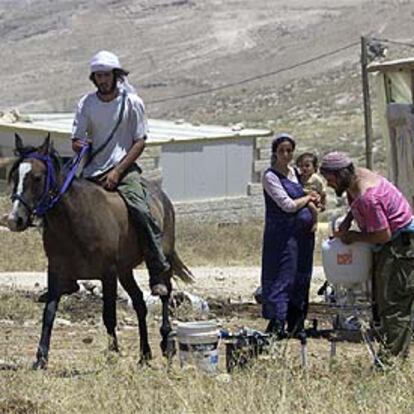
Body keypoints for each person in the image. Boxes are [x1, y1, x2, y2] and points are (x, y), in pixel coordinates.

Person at [71, 50, 170, 296]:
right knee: (63, 209)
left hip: (124, 170)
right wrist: (80, 145)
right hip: (93, 169)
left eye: (106, 75)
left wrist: (117, 171)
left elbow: (139, 141)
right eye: (98, 76)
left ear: (115, 76)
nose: (102, 80)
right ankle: (65, 273)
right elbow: (78, 137)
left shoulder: (132, 103)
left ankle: (156, 269)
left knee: (141, 209)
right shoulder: (86, 104)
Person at [319, 151, 414, 362]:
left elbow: (383, 234)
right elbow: (355, 203)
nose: (329, 184)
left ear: (342, 174)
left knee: (394, 305)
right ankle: (392, 354)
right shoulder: (357, 178)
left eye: (331, 179)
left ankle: (390, 363)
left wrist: (354, 236)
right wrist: (347, 220)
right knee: (381, 303)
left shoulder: (368, 196)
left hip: (399, 247)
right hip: (389, 246)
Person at [261, 133, 319, 338]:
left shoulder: (296, 173)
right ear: (275, 153)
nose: (286, 155)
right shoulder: (270, 177)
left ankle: (297, 324)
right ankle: (277, 322)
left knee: (301, 276)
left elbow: (310, 194)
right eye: (282, 151)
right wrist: (307, 198)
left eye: (289, 151)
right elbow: (287, 205)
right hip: (282, 237)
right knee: (283, 276)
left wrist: (314, 200)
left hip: (303, 236)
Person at [296, 152, 326, 232]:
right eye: (301, 166)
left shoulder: (315, 179)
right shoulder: (299, 178)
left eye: (307, 166)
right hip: (302, 198)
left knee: (311, 206)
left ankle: (315, 222)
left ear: (314, 167)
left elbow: (322, 191)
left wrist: (322, 203)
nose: (304, 168)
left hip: (312, 199)